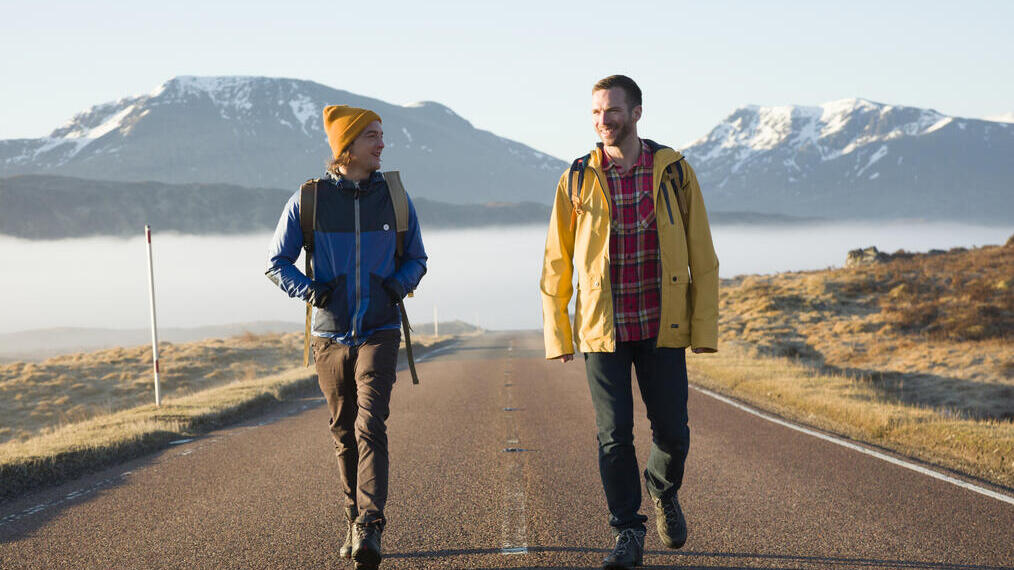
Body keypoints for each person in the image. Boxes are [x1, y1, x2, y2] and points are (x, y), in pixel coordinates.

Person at [540, 75, 719, 570]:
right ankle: (627, 532)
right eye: (596, 113)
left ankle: (662, 490)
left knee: (673, 434)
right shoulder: (576, 177)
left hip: (663, 326)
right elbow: (557, 259)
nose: (603, 121)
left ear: (637, 112)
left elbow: (702, 254)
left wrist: (704, 329)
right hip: (603, 329)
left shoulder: (675, 172)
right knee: (614, 435)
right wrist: (559, 330)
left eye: (612, 111)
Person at [265, 105, 427, 570]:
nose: (381, 144)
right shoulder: (309, 200)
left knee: (370, 424)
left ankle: (371, 525)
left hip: (380, 329)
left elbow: (417, 257)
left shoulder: (394, 197)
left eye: (381, 135)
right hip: (330, 336)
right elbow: (276, 262)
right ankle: (352, 517)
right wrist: (311, 291)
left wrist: (398, 285)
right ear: (347, 147)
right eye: (373, 136)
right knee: (343, 432)